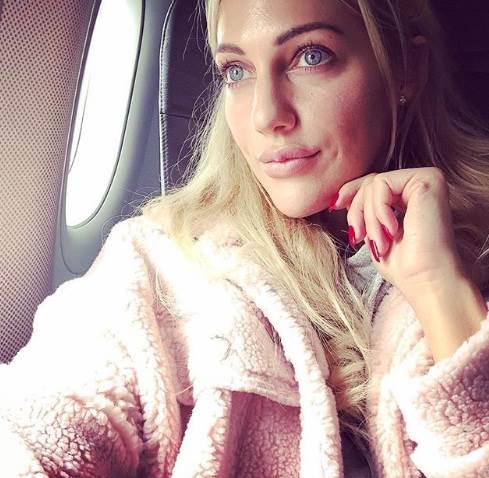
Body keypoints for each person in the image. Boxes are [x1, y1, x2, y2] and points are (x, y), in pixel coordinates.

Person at [1, 0, 489, 476]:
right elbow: (42, 424)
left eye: (311, 55)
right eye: (236, 71)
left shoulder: (474, 253)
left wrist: (441, 289)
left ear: (405, 68)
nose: (266, 115)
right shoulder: (157, 265)